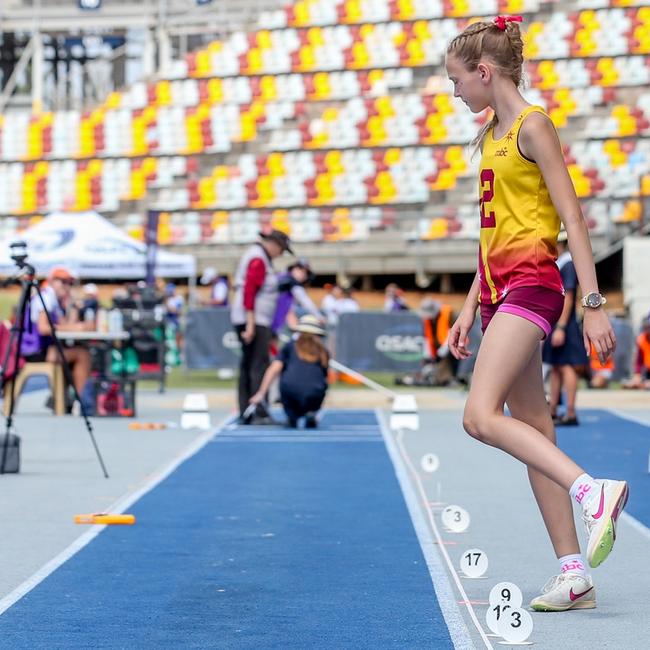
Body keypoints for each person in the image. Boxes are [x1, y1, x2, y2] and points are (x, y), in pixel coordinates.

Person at [445, 15, 627, 613]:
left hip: (533, 287)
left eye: (457, 81)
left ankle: (590, 490)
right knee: (532, 431)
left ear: (484, 71)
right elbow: (490, 234)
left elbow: (573, 218)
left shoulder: (532, 125)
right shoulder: (494, 133)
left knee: (478, 416)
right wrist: (470, 308)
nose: (455, 93)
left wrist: (593, 306)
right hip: (500, 291)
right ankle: (574, 573)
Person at [231, 228, 293, 424]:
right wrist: (250, 324)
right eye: (281, 249)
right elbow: (250, 291)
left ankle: (247, 411)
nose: (281, 254)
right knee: (258, 365)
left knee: (250, 364)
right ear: (273, 244)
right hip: (254, 320)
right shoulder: (258, 259)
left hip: (253, 318)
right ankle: (258, 411)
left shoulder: (259, 257)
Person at [19, 266, 92, 402]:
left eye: (70, 283)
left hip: (44, 347)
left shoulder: (54, 300)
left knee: (78, 351)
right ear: (52, 281)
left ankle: (62, 399)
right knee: (82, 355)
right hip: (35, 349)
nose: (66, 286)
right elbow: (44, 328)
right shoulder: (46, 297)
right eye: (63, 282)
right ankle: (81, 401)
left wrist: (73, 306)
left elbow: (65, 324)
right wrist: (75, 328)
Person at [249, 315, 329, 428]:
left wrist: (261, 393)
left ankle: (292, 415)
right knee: (319, 386)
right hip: (315, 393)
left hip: (290, 392)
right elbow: (324, 377)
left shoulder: (290, 347)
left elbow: (274, 369)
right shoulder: (323, 351)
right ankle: (311, 411)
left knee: (288, 383)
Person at [542, 233, 588, 426]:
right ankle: (552, 409)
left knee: (567, 366)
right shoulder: (562, 262)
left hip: (564, 323)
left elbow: (568, 297)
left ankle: (570, 411)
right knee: (556, 365)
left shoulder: (567, 263)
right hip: (558, 321)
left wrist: (561, 326)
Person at [271, 258, 322, 336]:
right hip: (273, 321)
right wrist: (318, 316)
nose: (303, 274)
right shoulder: (291, 281)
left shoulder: (282, 277)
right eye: (300, 269)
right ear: (294, 268)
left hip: (272, 321)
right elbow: (305, 301)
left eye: (306, 273)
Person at [622, 317, 650, 389]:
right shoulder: (642, 339)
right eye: (647, 327)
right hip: (648, 372)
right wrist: (637, 374)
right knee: (636, 382)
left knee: (646, 385)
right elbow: (639, 361)